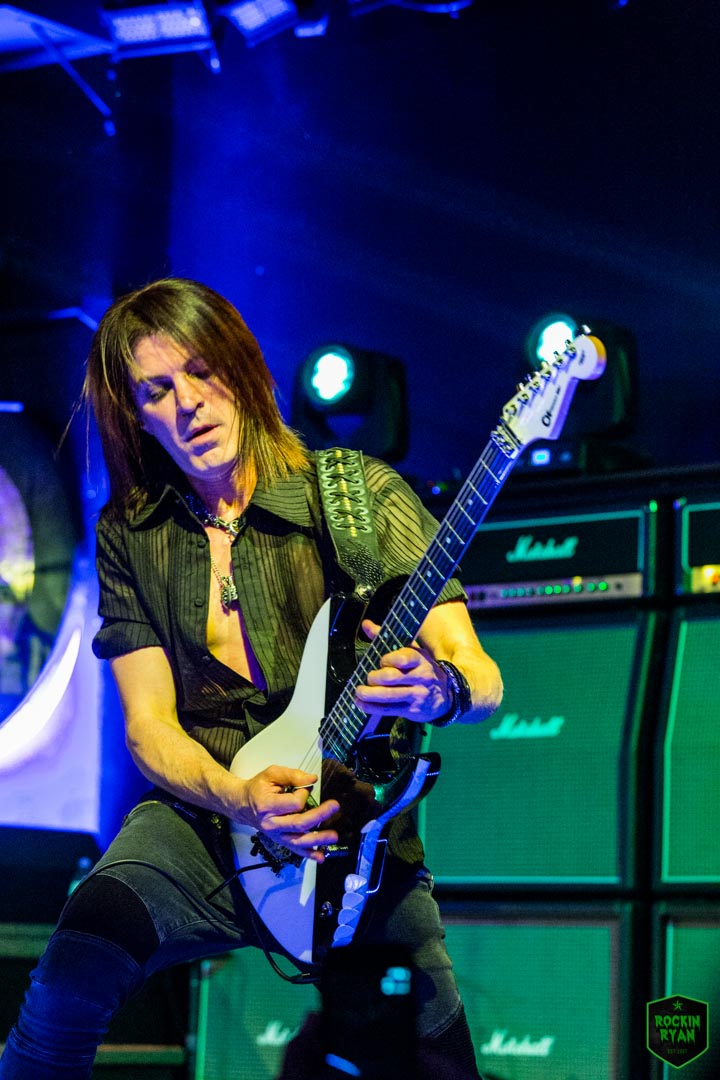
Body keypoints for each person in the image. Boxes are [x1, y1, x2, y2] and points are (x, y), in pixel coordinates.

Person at [0, 277, 503, 1079]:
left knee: (436, 1062)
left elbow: (481, 676)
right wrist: (237, 797)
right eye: (157, 391)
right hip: (203, 818)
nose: (188, 404)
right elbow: (148, 725)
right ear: (135, 414)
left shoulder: (360, 496)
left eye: (202, 372)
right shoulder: (132, 532)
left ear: (243, 368)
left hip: (350, 833)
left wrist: (440, 687)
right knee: (68, 976)